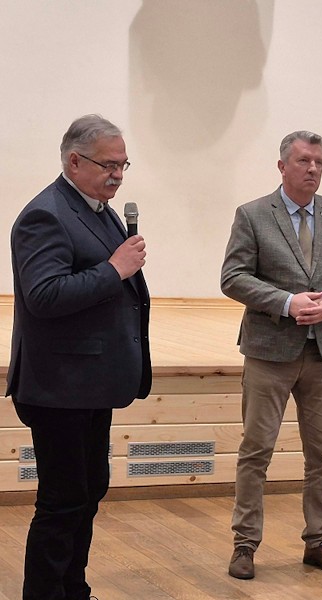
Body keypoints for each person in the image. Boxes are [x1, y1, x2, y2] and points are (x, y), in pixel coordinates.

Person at [6, 114, 151, 600]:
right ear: (74, 160)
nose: (118, 174)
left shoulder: (98, 210)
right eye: (109, 165)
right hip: (59, 386)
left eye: (123, 164)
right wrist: (114, 269)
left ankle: (73, 589)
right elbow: (44, 295)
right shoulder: (45, 214)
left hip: (91, 384)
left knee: (87, 494)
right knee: (63, 502)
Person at [221, 130, 322, 579]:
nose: (313, 169)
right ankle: (245, 545)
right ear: (282, 166)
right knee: (257, 451)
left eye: (319, 162)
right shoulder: (252, 214)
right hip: (269, 352)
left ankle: (318, 541)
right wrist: (287, 303)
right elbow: (233, 277)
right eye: (304, 161)